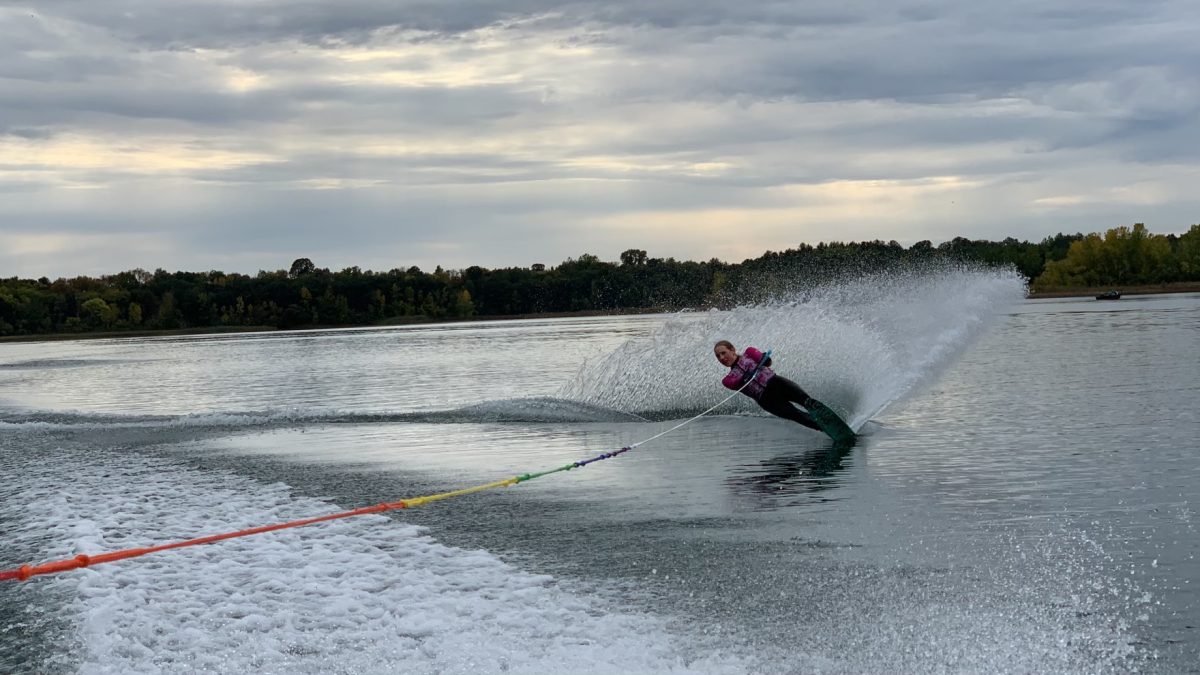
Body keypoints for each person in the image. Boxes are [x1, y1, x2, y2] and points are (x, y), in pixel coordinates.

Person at [713, 339, 823, 432]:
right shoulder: (727, 380)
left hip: (777, 384)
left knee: (807, 401)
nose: (721, 358)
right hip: (767, 400)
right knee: (798, 416)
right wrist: (745, 377)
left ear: (732, 350)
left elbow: (768, 362)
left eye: (723, 353)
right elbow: (736, 383)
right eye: (718, 356)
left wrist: (764, 359)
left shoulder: (749, 353)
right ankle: (826, 429)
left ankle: (827, 417)